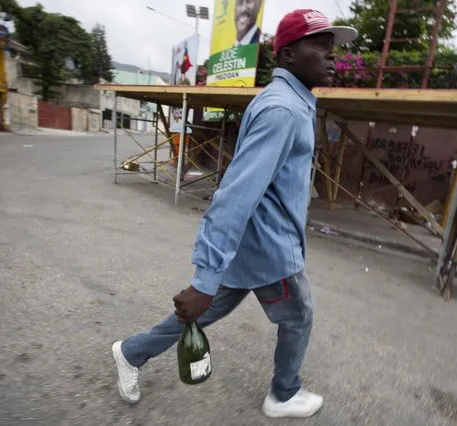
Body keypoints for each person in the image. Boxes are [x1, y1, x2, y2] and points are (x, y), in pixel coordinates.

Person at [112, 9, 357, 419]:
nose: (333, 58)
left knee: (204, 313)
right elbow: (234, 196)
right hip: (270, 251)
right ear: (289, 55)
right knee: (298, 316)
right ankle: (283, 394)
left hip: (253, 246)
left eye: (333, 49)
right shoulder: (283, 111)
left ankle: (131, 353)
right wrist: (205, 277)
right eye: (321, 46)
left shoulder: (289, 103)